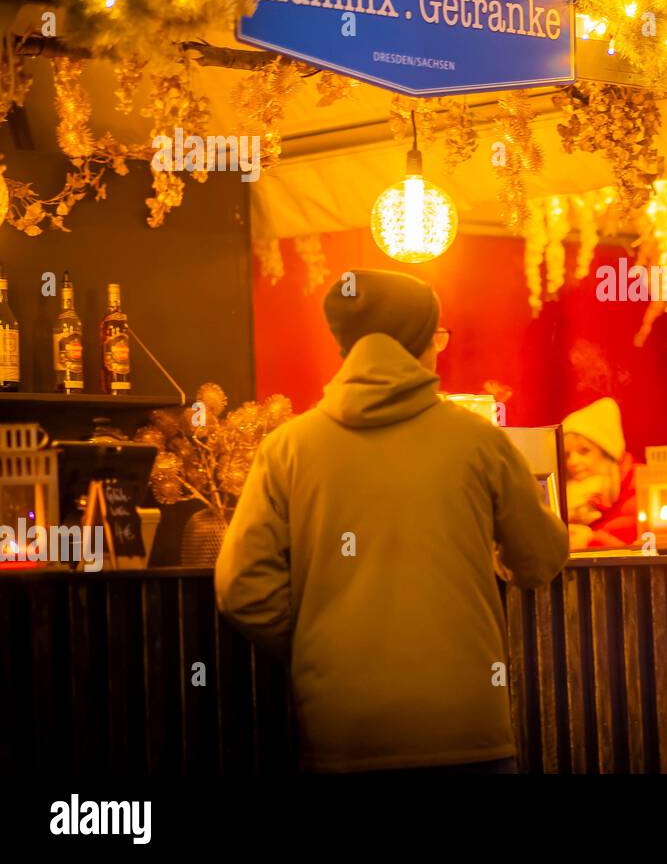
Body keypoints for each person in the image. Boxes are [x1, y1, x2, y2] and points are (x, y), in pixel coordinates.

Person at [215, 270, 569, 774]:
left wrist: (321, 642)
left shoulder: (287, 449)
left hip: (343, 730)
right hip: (466, 725)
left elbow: (240, 587)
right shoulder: (479, 442)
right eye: (438, 333)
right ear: (421, 341)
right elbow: (541, 559)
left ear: (345, 346)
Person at [561, 397, 638, 549]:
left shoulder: (636, 487)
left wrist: (592, 541)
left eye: (584, 451)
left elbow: (645, 550)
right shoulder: (565, 497)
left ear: (606, 453)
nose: (572, 462)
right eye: (567, 455)